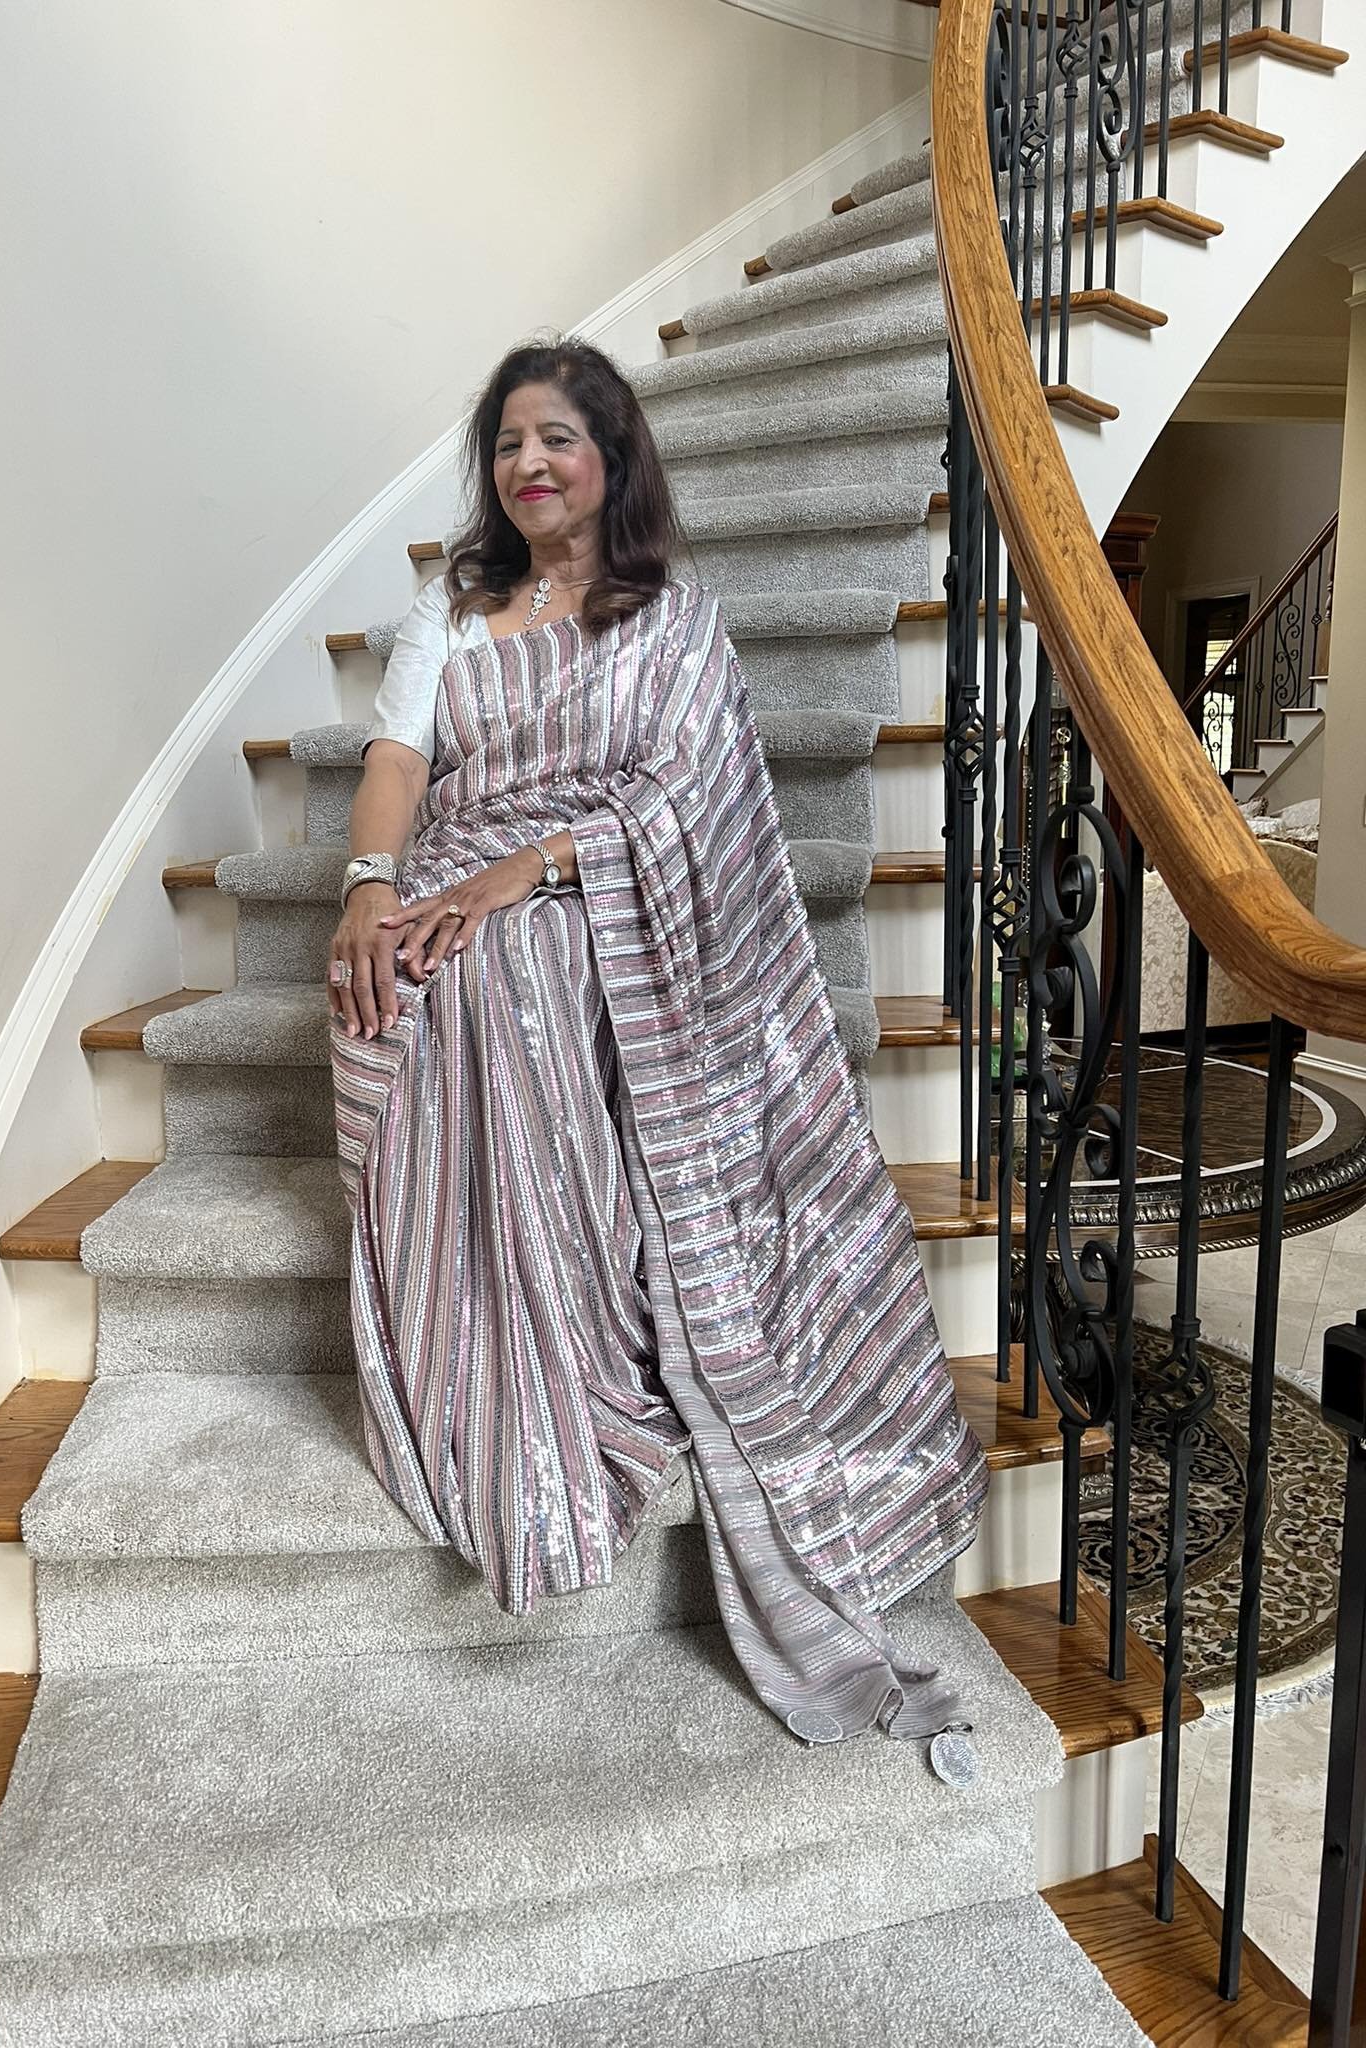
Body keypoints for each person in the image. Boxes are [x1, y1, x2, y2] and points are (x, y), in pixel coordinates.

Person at [327, 337, 988, 1752]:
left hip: (587, 889)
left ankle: (607, 1319)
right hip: (458, 864)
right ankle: (510, 1325)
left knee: (518, 962)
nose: (529, 466)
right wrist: (371, 892)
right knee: (407, 981)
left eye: (557, 438)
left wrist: (529, 874)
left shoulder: (670, 615)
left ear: (611, 459)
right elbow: (398, 763)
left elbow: (694, 795)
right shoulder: (454, 612)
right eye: (508, 444)